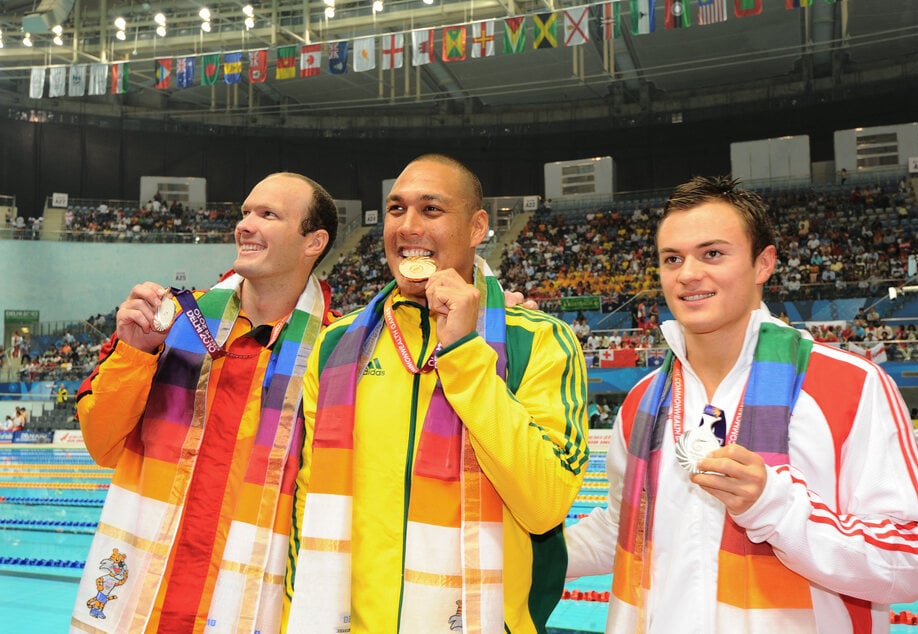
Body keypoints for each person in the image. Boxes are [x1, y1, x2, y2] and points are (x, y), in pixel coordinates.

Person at [565, 176, 918, 633]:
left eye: (712, 254)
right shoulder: (641, 401)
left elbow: (913, 556)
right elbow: (622, 527)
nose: (688, 273)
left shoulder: (849, 385)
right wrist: (516, 549)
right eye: (672, 259)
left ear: (763, 262)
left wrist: (776, 505)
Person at [285, 154, 589, 633]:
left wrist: (466, 353)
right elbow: (307, 500)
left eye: (431, 210)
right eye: (395, 209)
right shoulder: (337, 346)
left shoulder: (539, 340)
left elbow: (544, 502)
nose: (407, 227)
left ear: (476, 228)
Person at [69, 172, 339, 633]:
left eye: (268, 215)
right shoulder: (173, 323)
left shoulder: (335, 352)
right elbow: (102, 445)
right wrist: (135, 352)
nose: (246, 225)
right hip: (145, 604)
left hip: (253, 604)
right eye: (245, 213)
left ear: (313, 241)